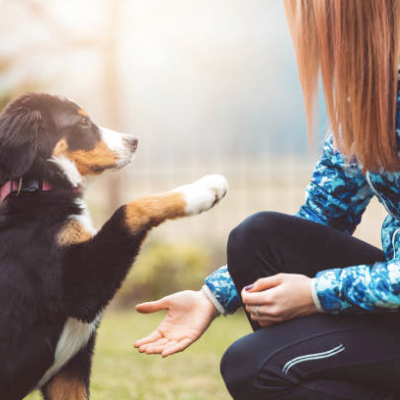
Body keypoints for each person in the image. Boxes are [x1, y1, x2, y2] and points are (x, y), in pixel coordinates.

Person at [134, 1, 400, 398]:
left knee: (255, 367)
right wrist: (211, 297)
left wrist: (316, 295)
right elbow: (322, 217)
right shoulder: (368, 100)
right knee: (256, 239)